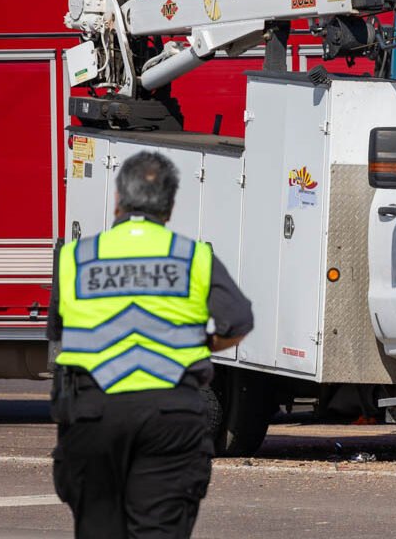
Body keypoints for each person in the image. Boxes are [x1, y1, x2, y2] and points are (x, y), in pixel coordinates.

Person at [47, 150, 253, 538]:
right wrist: (198, 342)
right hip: (170, 412)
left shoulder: (75, 258)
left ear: (118, 200)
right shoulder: (193, 257)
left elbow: (58, 332)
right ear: (170, 206)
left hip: (94, 410)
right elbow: (239, 321)